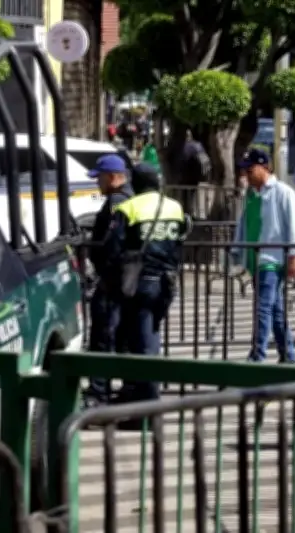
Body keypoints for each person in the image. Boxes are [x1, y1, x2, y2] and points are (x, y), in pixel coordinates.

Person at [103, 163, 189, 405]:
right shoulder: (174, 207)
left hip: (139, 282)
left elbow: (113, 247)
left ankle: (147, 406)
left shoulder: (128, 207)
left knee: (142, 344)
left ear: (135, 184)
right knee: (149, 335)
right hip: (167, 282)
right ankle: (140, 396)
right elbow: (179, 241)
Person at [233, 149, 295, 363]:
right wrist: (238, 250)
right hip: (256, 258)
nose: (246, 174)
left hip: (272, 259)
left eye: (250, 169)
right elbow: (245, 222)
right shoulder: (252, 194)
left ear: (265, 167)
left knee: (263, 308)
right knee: (275, 310)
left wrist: (294, 255)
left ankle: (257, 355)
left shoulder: (283, 192)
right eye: (245, 170)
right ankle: (288, 355)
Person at [82, 154, 134, 406]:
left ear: (113, 178)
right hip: (125, 280)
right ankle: (125, 389)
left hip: (113, 280)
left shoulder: (117, 202)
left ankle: (98, 392)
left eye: (100, 178)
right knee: (122, 336)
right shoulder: (129, 198)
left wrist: (102, 269)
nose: (97, 183)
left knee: (103, 336)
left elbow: (112, 244)